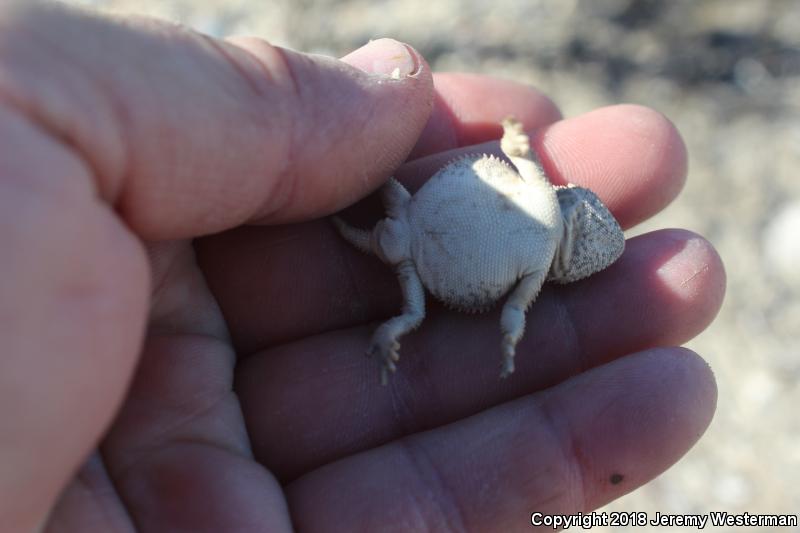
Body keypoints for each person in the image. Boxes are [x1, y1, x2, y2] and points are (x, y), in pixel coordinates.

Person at [0, 2, 725, 531]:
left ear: (571, 208)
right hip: (419, 275)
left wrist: (507, 134)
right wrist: (507, 344)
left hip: (415, 215)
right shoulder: (537, 273)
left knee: (396, 264)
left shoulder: (534, 194)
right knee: (405, 315)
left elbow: (521, 152)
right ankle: (392, 333)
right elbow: (512, 314)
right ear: (572, 265)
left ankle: (382, 299)